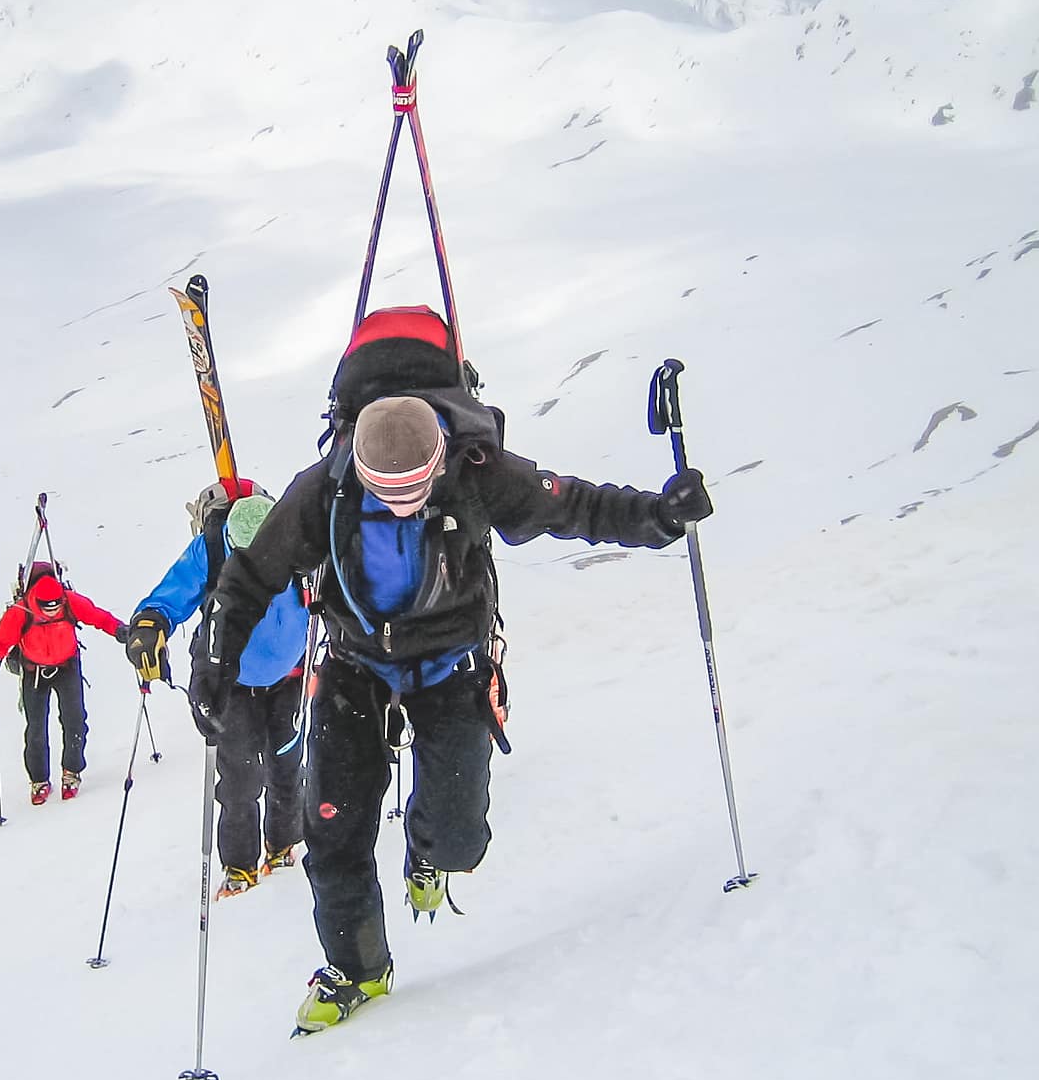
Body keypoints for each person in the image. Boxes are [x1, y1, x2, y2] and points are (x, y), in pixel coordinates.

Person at [197, 315, 715, 1033]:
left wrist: (659, 516)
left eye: (417, 491)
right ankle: (357, 968)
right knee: (332, 830)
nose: (404, 504)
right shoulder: (325, 490)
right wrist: (216, 658)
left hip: (450, 661)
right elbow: (250, 576)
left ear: (442, 457)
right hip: (353, 663)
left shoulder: (480, 471)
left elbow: (577, 505)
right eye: (389, 494)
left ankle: (430, 852)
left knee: (461, 838)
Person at [126, 484, 309, 898]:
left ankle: (283, 844)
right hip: (231, 683)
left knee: (287, 765)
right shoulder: (209, 551)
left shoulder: (297, 544)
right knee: (241, 777)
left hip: (289, 676)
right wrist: (150, 625)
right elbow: (170, 597)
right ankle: (240, 865)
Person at [0, 560, 124, 804]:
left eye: (55, 607)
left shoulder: (69, 601)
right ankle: (39, 779)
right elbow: (2, 639)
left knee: (75, 720)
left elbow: (97, 616)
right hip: (33, 671)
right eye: (46, 608)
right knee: (35, 729)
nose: (52, 611)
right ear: (37, 602)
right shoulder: (21, 611)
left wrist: (120, 629)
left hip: (66, 667)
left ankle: (72, 771)